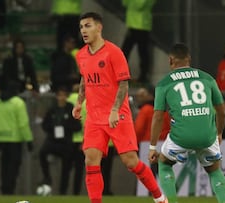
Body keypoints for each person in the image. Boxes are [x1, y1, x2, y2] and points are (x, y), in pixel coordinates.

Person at [72, 12, 167, 203]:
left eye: (88, 26)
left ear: (99, 28)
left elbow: (124, 84)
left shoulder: (113, 52)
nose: (83, 30)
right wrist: (79, 102)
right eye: (81, 27)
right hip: (94, 117)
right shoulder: (81, 54)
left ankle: (159, 197)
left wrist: (115, 110)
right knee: (90, 159)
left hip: (117, 116)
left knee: (130, 162)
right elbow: (84, 78)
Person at [148, 43, 225, 203]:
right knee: (214, 171)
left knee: (163, 164)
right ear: (189, 59)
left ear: (171, 60)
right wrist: (219, 133)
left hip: (181, 137)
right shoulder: (207, 78)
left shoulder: (164, 83)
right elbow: (222, 112)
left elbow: (158, 117)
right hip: (208, 135)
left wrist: (152, 147)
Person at [0, 80, 33, 194]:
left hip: (1, 139)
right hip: (15, 139)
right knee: (13, 165)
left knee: (4, 165)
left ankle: (4, 188)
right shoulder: (18, 103)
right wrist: (28, 139)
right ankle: (10, 189)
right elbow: (23, 123)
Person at [39, 87, 82, 195]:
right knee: (42, 152)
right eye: (59, 95)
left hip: (66, 142)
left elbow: (77, 126)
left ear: (66, 97)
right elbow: (45, 124)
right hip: (53, 140)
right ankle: (47, 177)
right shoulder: (52, 109)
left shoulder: (70, 108)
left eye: (63, 95)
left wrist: (66, 127)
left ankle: (62, 191)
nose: (61, 98)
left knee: (66, 167)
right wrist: (52, 128)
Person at [121, 0, 157, 83]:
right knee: (126, 51)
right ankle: (123, 75)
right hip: (135, 25)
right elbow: (125, 3)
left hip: (141, 25)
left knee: (141, 52)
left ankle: (142, 77)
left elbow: (139, 5)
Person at [67, 83, 86, 195]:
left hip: (68, 140)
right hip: (81, 139)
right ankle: (76, 192)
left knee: (66, 167)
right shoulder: (87, 102)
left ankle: (63, 190)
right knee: (79, 169)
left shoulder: (69, 100)